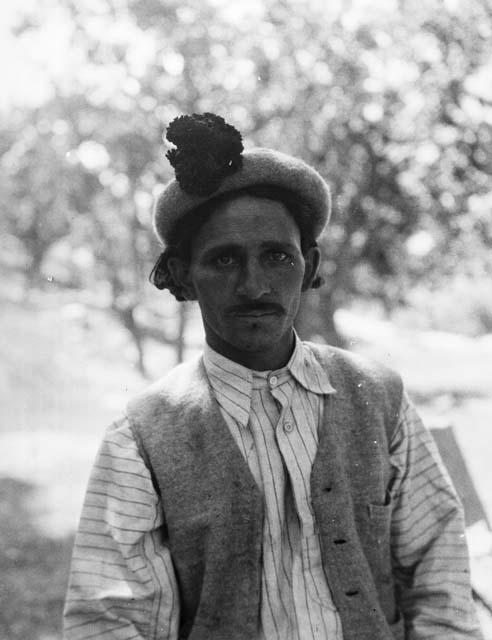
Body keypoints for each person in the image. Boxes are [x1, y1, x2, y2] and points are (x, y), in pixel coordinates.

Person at [63, 113, 482, 640]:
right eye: (224, 260)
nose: (254, 285)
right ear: (183, 274)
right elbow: (111, 619)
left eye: (277, 256)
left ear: (308, 266)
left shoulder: (377, 398)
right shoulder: (142, 437)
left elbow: (438, 574)